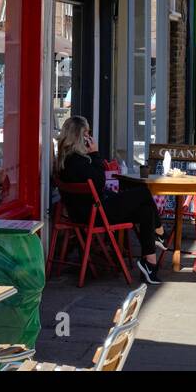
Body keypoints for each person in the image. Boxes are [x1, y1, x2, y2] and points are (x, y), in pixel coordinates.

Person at [53, 115, 166, 284]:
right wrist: (95, 154)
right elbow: (100, 182)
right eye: (87, 132)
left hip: (84, 213)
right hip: (95, 215)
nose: (89, 136)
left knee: (145, 210)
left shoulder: (64, 160)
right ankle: (160, 232)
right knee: (142, 192)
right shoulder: (78, 162)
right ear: (81, 135)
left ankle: (150, 263)